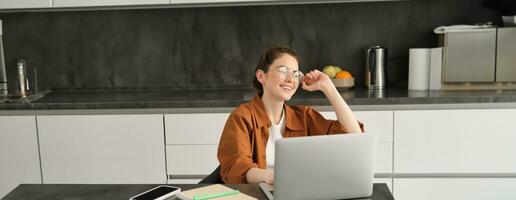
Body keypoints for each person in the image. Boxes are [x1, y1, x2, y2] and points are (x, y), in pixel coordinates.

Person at [217, 46, 364, 184]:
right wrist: (269, 176)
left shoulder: (304, 116)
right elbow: (235, 167)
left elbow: (355, 137)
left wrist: (328, 87)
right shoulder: (242, 117)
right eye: (283, 71)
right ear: (261, 76)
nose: (290, 79)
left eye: (295, 74)